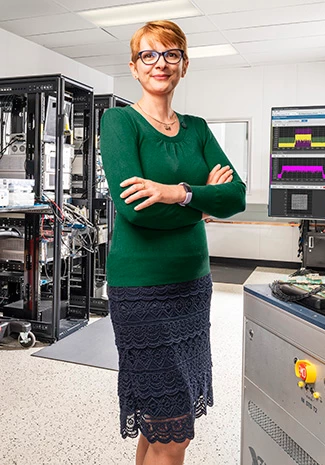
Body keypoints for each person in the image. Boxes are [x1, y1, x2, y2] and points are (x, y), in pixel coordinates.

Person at [100, 20, 246, 465]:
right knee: (172, 429)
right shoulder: (119, 121)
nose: (159, 63)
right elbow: (132, 208)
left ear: (184, 65)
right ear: (134, 66)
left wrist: (175, 192)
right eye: (149, 55)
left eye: (170, 54)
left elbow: (235, 196)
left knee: (163, 426)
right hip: (142, 291)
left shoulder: (198, 129)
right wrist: (202, 202)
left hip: (192, 288)